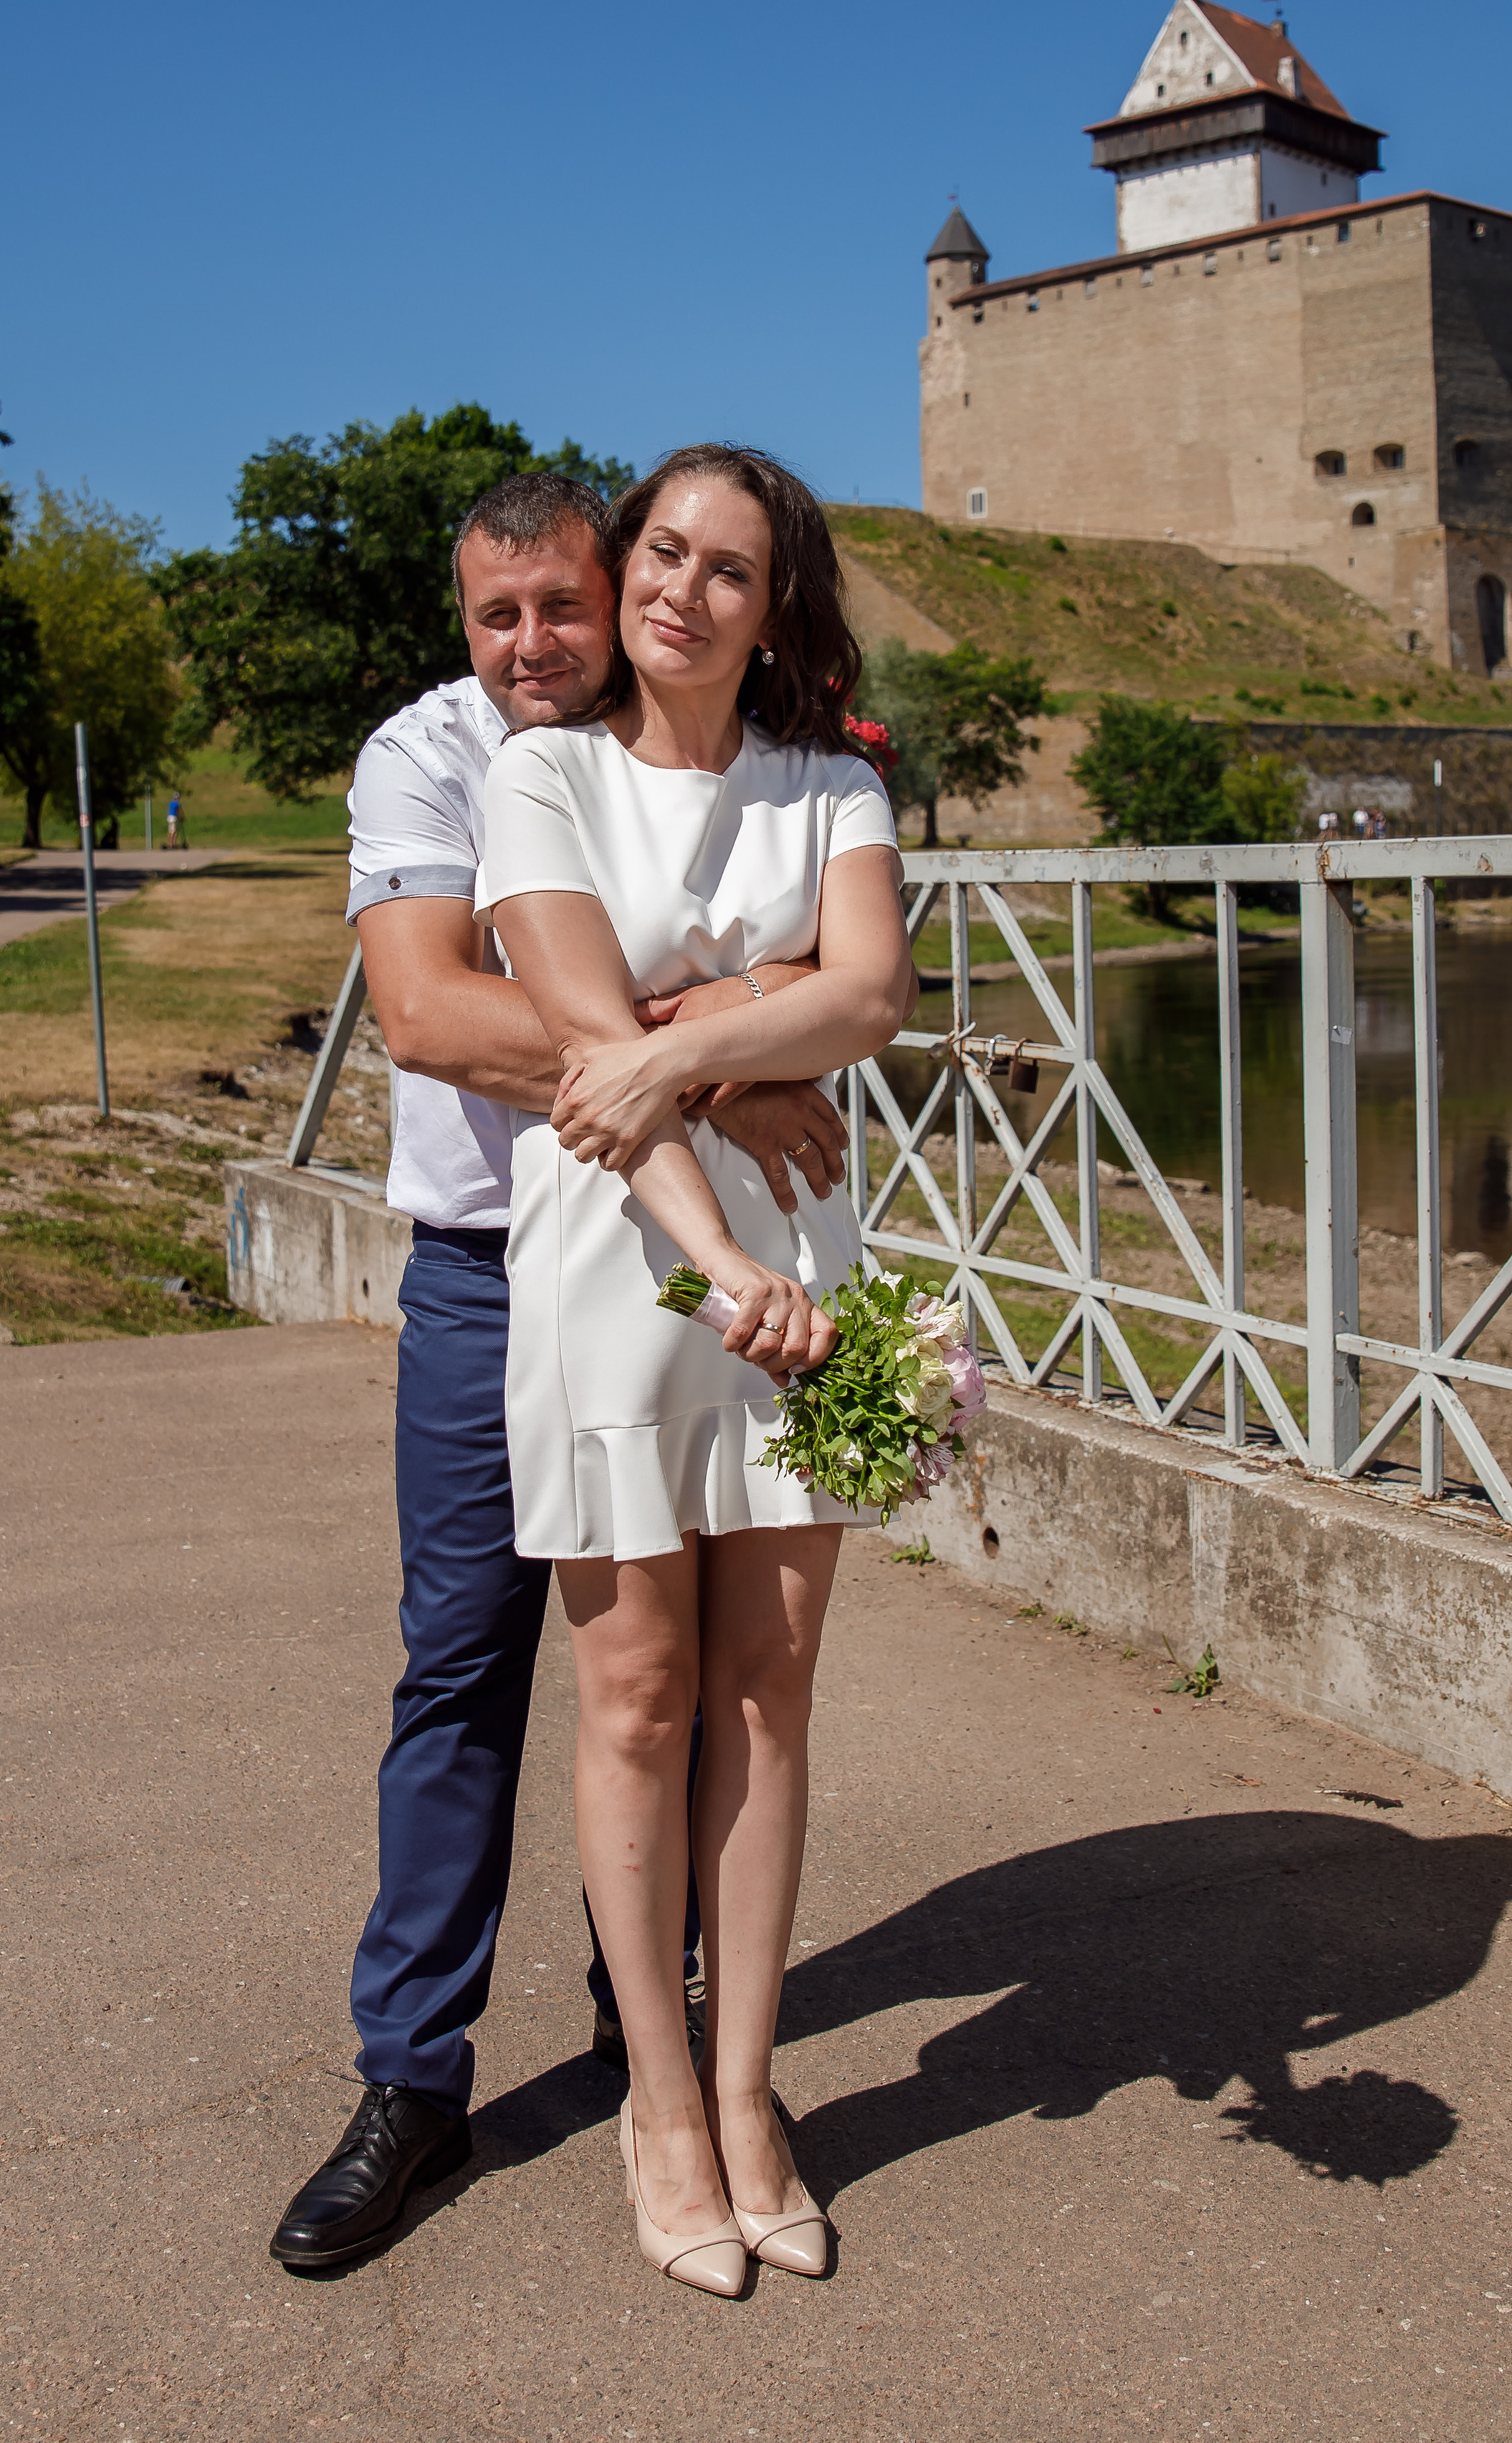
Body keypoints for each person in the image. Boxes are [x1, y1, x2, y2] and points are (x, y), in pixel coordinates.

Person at [269, 472, 852, 2271]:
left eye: (561, 608)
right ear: (463, 622)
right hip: (480, 1265)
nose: (532, 644)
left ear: (618, 602)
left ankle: (652, 2050)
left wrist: (681, 1042)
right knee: (467, 1670)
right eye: (494, 614)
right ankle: (415, 2078)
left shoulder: (686, 745)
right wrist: (729, 1058)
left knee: (681, 1679)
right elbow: (436, 1012)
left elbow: (833, 963)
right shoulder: (434, 755)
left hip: (661, 1262)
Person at [477, 444, 913, 2298]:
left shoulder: (833, 783)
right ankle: (658, 2102)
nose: (682, 592)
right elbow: (583, 1044)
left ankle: (749, 2093)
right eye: (663, 552)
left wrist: (694, 1032)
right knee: (640, 1692)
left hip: (812, 1266)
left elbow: (874, 996)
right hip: (622, 1268)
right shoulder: (542, 770)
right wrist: (728, 1050)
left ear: (774, 605)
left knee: (771, 1689)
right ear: (627, 564)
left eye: (730, 570)